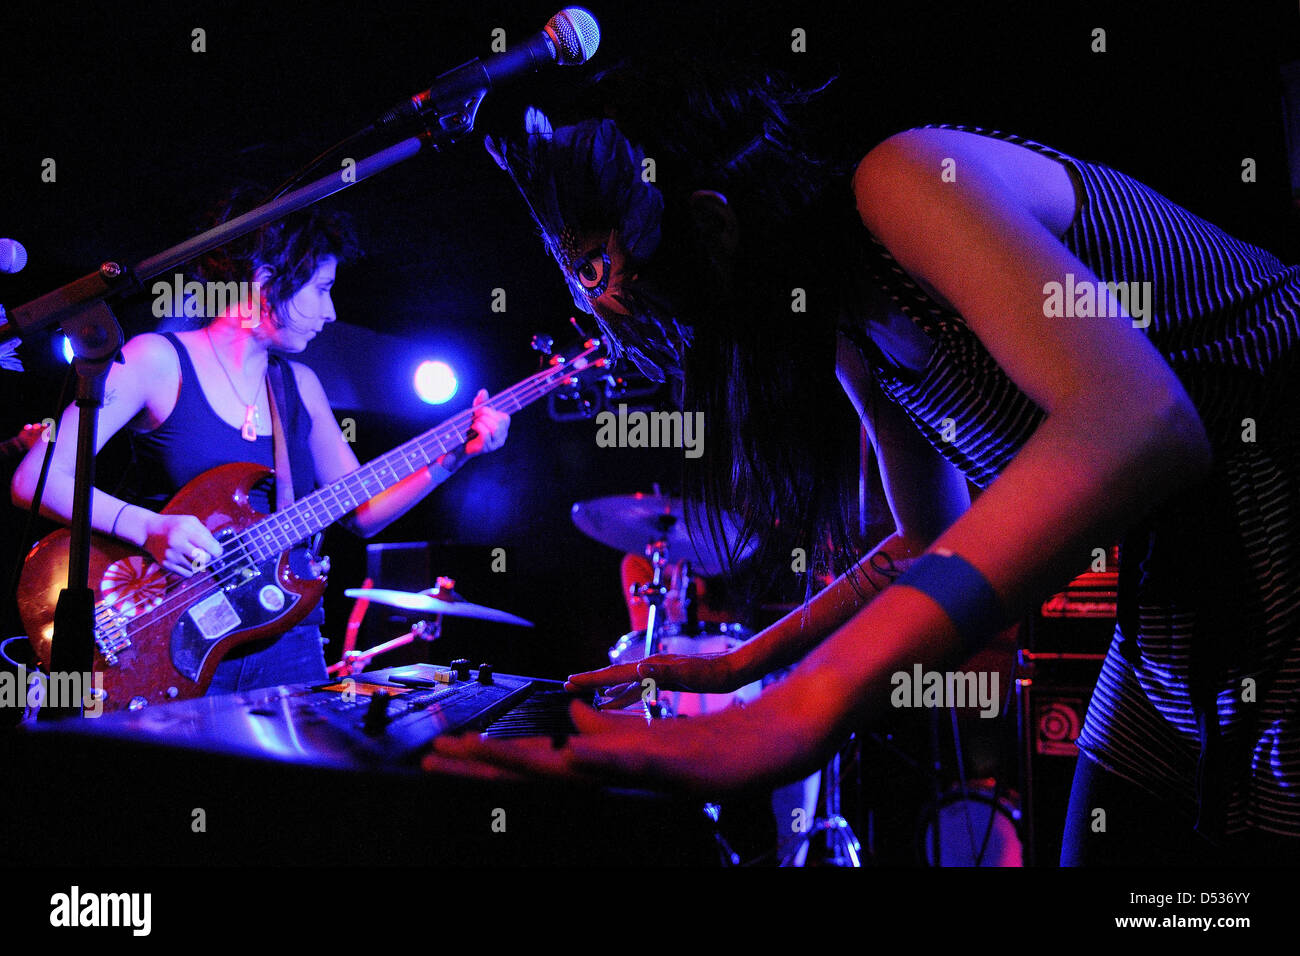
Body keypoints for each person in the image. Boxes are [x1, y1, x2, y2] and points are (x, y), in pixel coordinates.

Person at [421, 58, 1300, 866]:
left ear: (714, 227)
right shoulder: (845, 318)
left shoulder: (906, 180)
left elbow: (1143, 417)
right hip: (1187, 590)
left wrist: (804, 710)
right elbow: (930, 536)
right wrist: (739, 671)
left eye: (666, 306)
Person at [10, 201, 510, 694]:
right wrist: (150, 526)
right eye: (322, 288)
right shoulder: (156, 361)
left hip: (288, 641)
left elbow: (361, 513)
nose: (332, 311)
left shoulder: (299, 385)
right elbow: (35, 478)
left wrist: (450, 461)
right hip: (165, 634)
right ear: (267, 280)